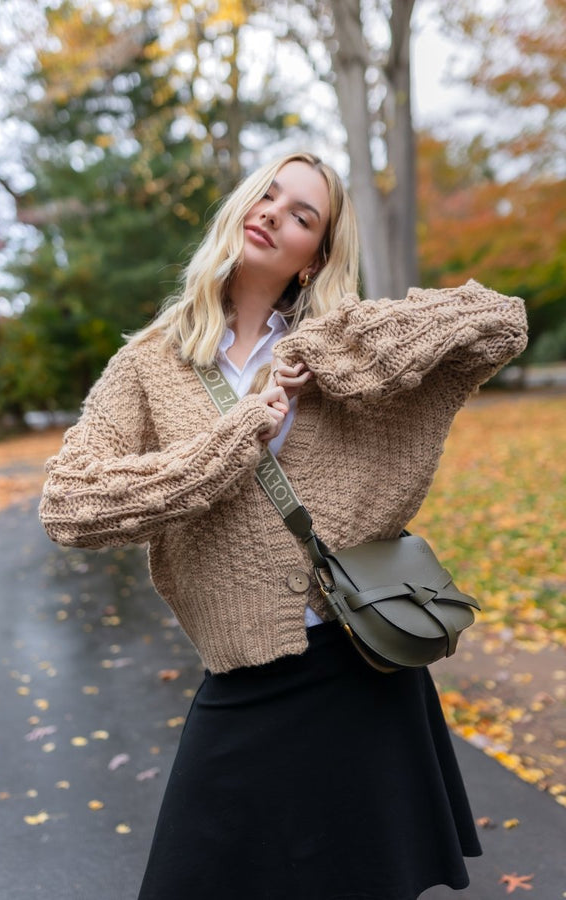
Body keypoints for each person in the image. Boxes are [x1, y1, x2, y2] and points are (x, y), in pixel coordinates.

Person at [39, 151, 528, 900]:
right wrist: (238, 437)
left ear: (315, 257)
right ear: (239, 208)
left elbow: (500, 322)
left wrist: (334, 353)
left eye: (303, 214)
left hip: (361, 669)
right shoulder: (147, 365)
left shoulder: (341, 341)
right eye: (266, 196)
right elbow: (70, 504)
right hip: (244, 682)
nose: (274, 213)